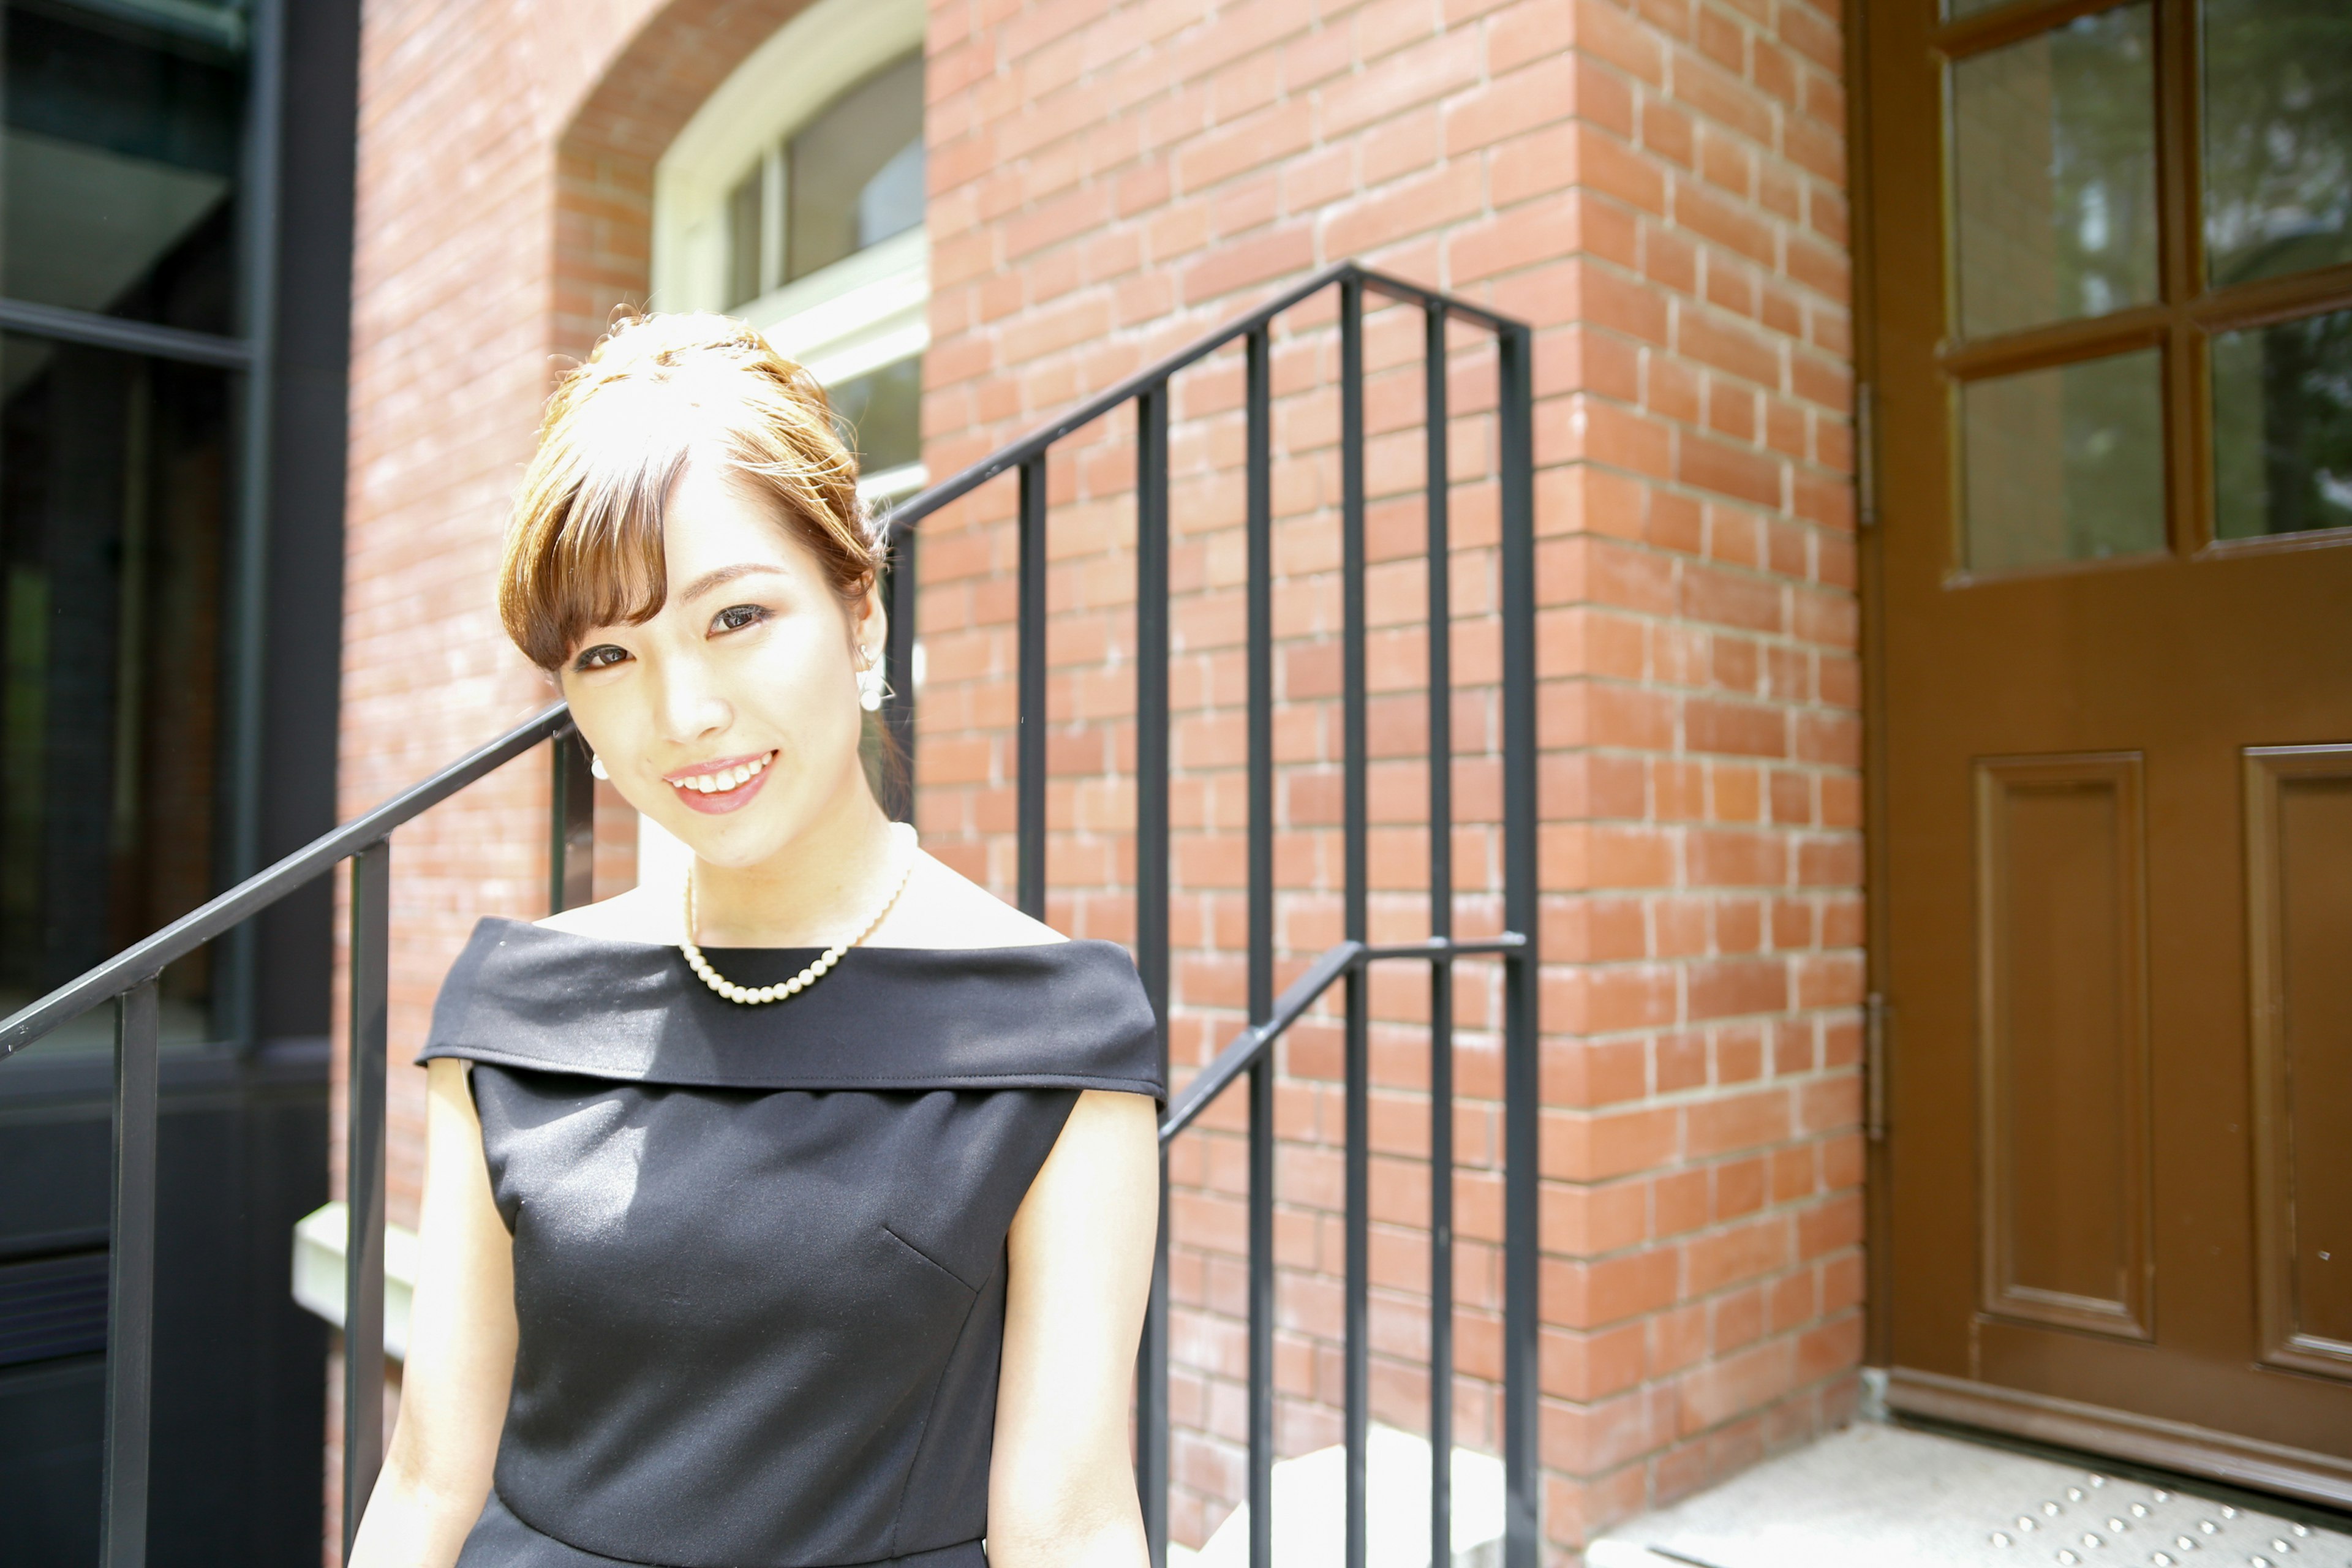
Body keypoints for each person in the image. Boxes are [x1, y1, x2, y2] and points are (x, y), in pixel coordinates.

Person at [348, 314, 1163, 1568]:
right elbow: (426, 1477)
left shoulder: (1052, 1029)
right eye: (611, 653)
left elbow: (1070, 1522)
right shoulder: (513, 1011)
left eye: (736, 618)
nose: (684, 714)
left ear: (860, 608)